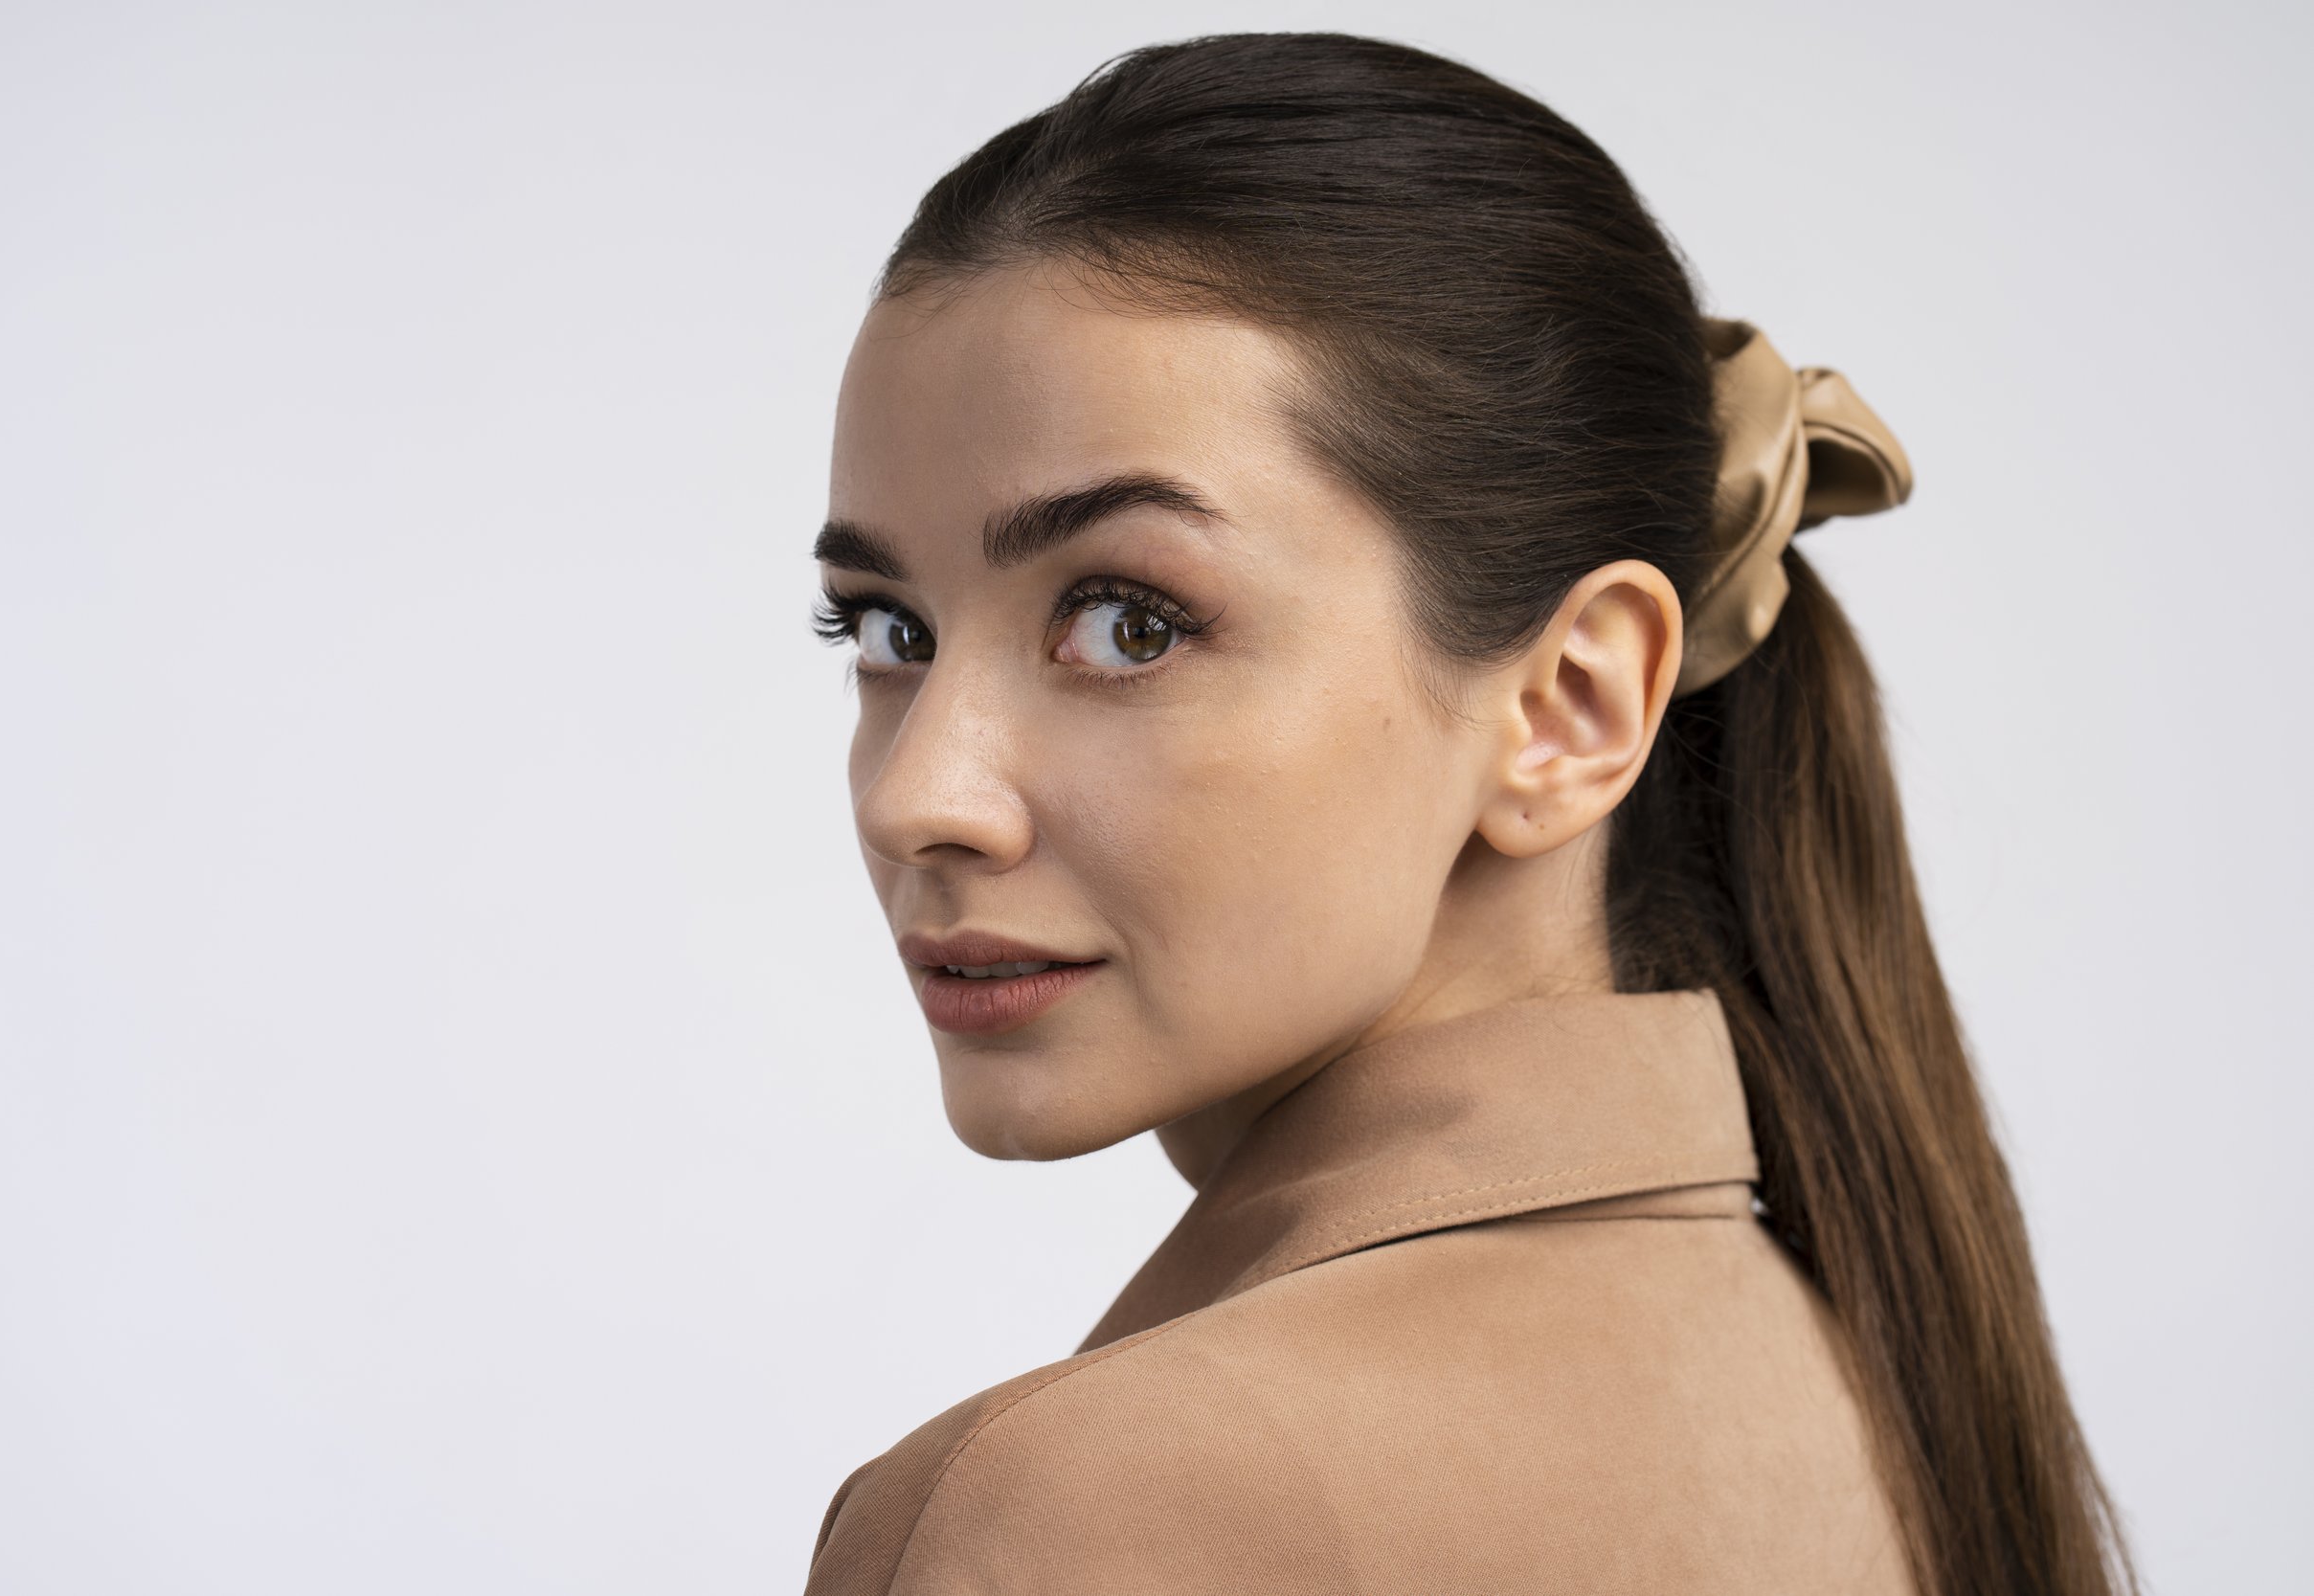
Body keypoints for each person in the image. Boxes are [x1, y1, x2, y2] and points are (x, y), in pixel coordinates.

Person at [799, 30, 2136, 1595]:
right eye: (889, 628)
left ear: (1571, 705)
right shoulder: (1874, 1380)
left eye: (1129, 624)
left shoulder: (1086, 1510)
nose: (918, 796)